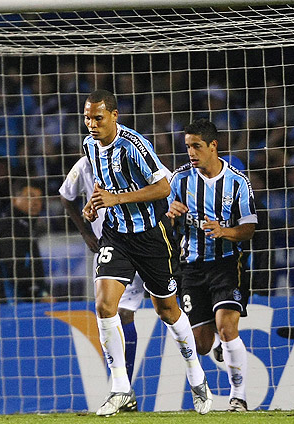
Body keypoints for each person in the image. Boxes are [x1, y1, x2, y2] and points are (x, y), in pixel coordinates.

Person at [81, 90, 212, 416]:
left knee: (167, 311)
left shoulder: (134, 145)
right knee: (104, 305)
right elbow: (103, 183)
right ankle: (120, 388)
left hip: (151, 237)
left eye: (98, 118)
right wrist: (94, 202)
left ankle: (196, 376)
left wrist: (117, 199)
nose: (92, 124)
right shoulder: (89, 146)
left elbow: (163, 188)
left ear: (114, 115)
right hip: (116, 235)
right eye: (87, 118)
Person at [167, 119, 257, 412]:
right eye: (187, 147)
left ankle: (238, 397)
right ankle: (217, 345)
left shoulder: (237, 182)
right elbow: (162, 221)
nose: (191, 153)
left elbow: (249, 228)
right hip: (191, 267)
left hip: (227, 264)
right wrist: (169, 214)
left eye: (196, 146)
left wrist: (224, 232)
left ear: (213, 146)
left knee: (227, 327)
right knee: (201, 345)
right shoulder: (179, 180)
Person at [59, 156, 149, 385]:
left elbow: (166, 184)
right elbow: (66, 196)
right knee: (113, 312)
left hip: (143, 243)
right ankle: (123, 386)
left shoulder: (132, 153)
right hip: (107, 247)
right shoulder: (84, 165)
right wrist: (85, 232)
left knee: (165, 309)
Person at [0, 177, 51, 302]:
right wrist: (37, 293)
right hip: (14, 301)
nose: (36, 202)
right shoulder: (9, 226)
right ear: (14, 200)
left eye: (39, 198)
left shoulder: (26, 225)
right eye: (30, 196)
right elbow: (13, 267)